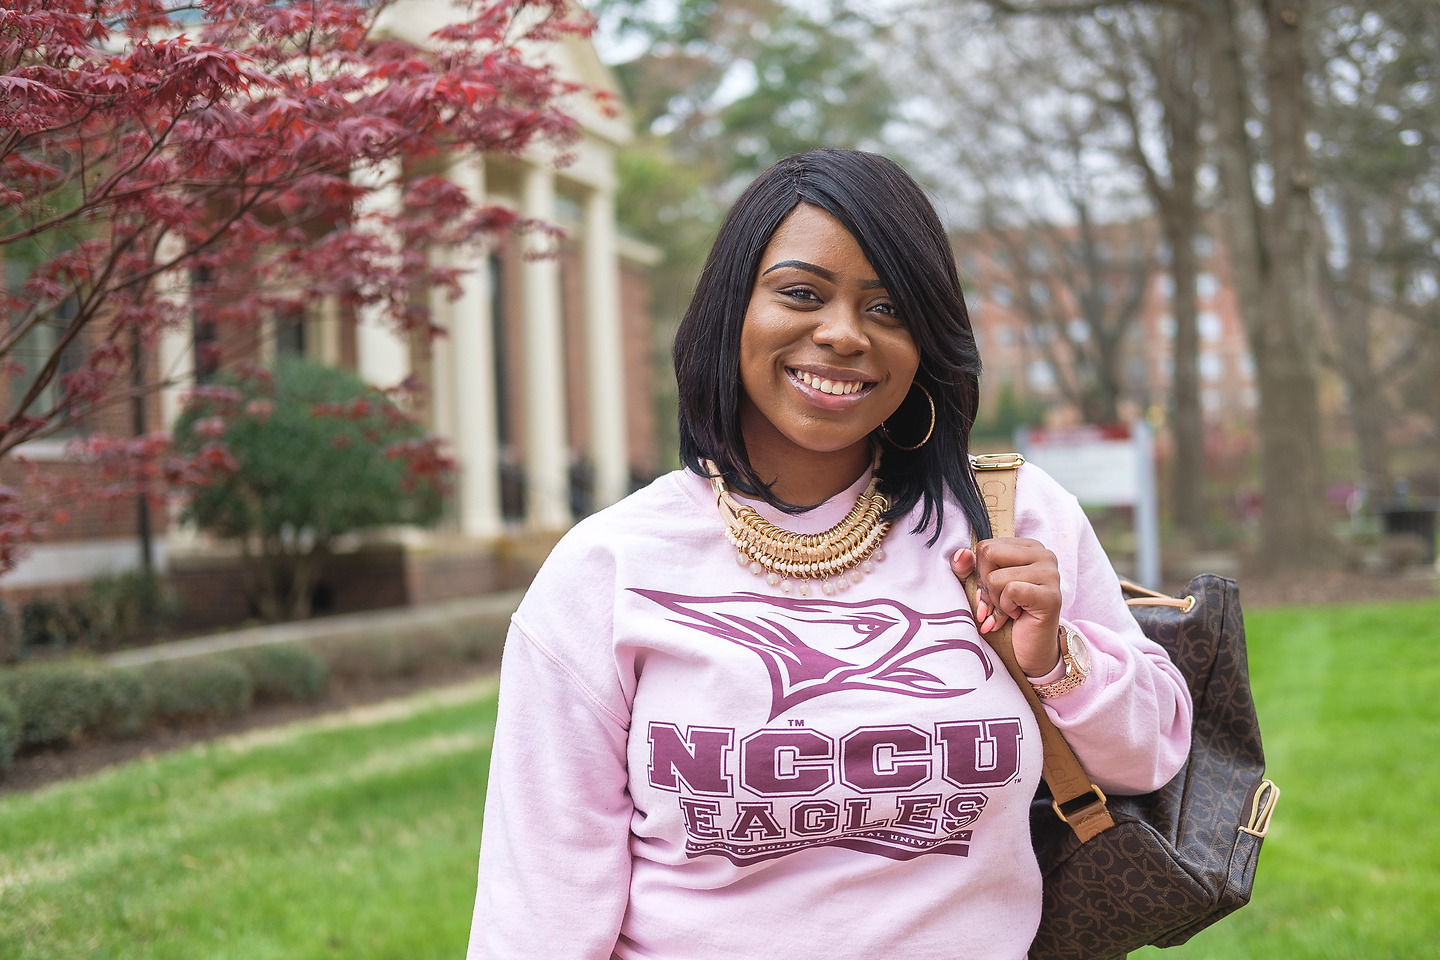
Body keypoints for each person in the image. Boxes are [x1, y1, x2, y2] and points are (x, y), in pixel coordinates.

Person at [466, 149, 1192, 960]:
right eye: (802, 294)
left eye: (888, 309)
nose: (844, 335)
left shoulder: (1008, 520)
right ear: (731, 310)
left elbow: (1151, 755)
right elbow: (541, 903)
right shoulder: (609, 568)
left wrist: (1058, 659)